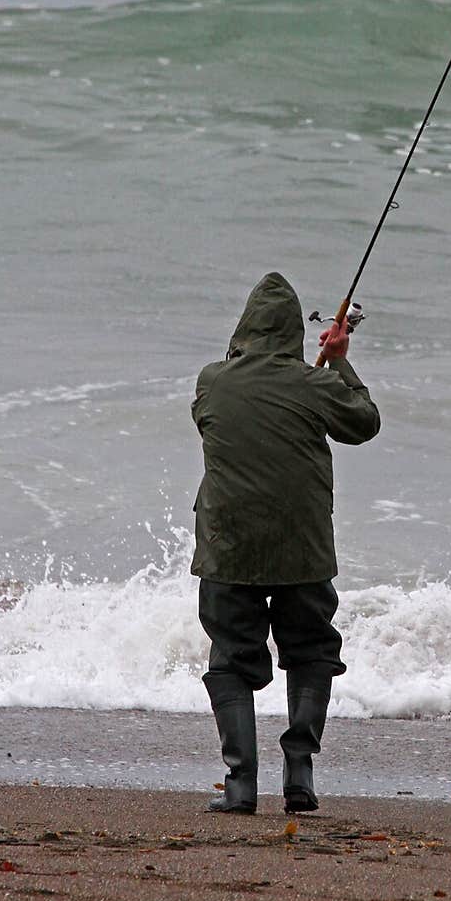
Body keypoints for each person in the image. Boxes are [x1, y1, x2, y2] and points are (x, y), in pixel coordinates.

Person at [191, 271, 381, 814]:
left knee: (230, 658)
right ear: (296, 332)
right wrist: (337, 361)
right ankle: (299, 774)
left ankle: (240, 784)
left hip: (229, 548)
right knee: (311, 652)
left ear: (244, 327)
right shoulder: (314, 383)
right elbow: (363, 422)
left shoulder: (211, 380)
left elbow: (212, 424)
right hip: (303, 549)